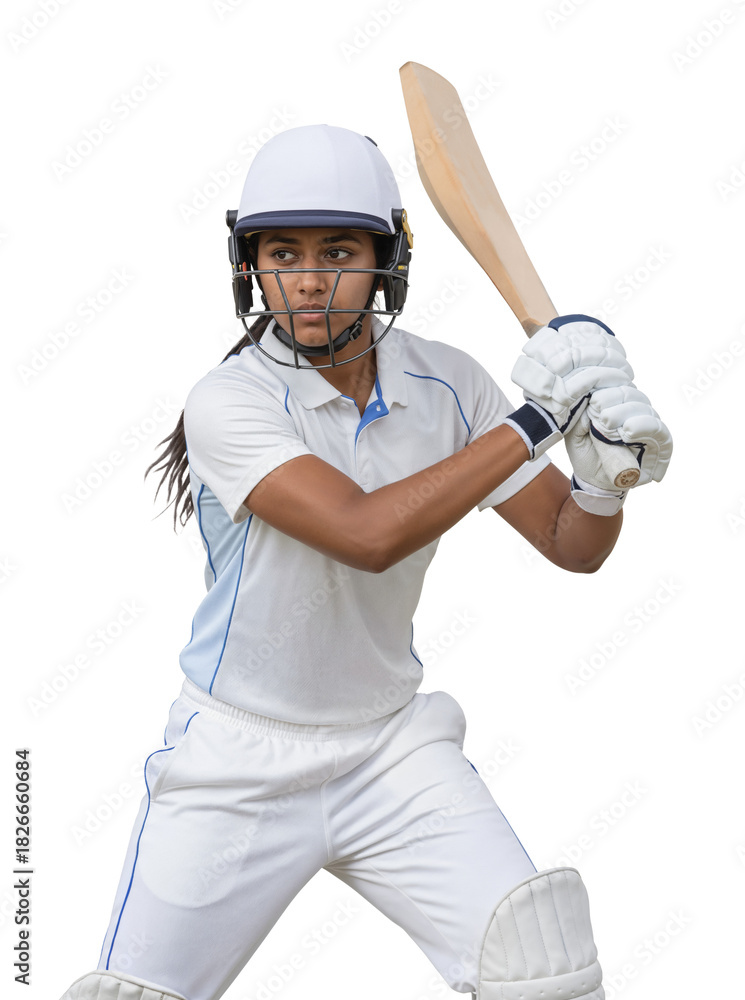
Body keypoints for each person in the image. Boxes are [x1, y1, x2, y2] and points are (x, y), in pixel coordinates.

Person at [59, 125, 671, 1000]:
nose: (308, 278)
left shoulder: (450, 383)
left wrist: (604, 473)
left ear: (387, 263)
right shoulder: (227, 401)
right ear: (249, 264)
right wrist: (540, 418)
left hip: (392, 750)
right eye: (282, 251)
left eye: (339, 250)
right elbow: (365, 534)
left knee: (546, 967)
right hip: (235, 762)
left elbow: (570, 545)